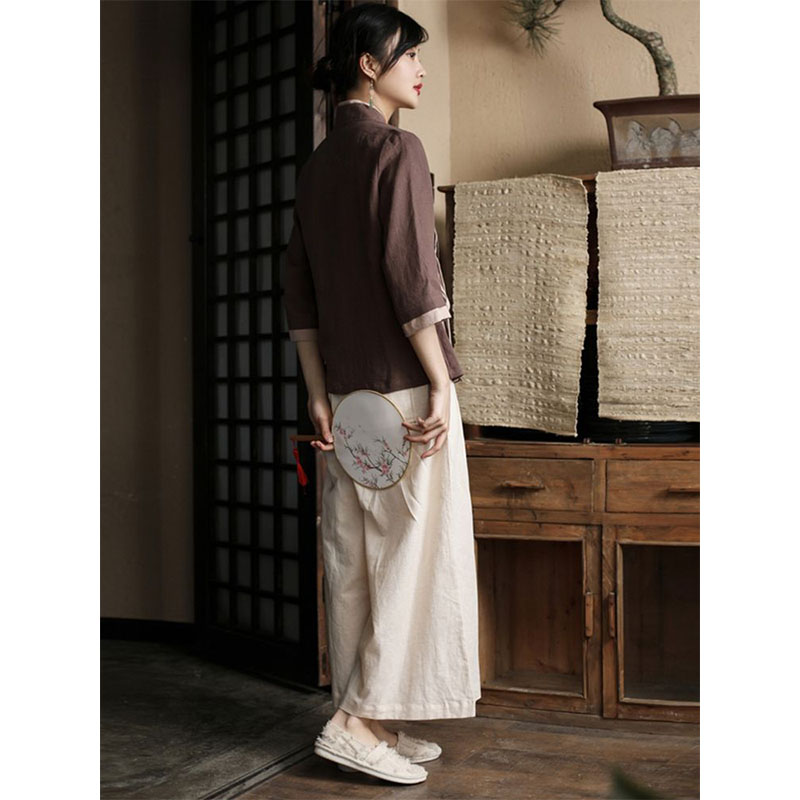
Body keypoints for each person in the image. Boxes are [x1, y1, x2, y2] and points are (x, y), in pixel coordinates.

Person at [282, 3, 480, 785]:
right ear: (370, 64)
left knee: (356, 560)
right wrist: (441, 380)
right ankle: (358, 724)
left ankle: (377, 715)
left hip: (345, 399)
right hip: (403, 390)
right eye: (410, 56)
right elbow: (412, 275)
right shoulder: (398, 149)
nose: (421, 70)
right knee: (411, 562)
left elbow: (299, 291)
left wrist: (317, 393)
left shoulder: (317, 167)